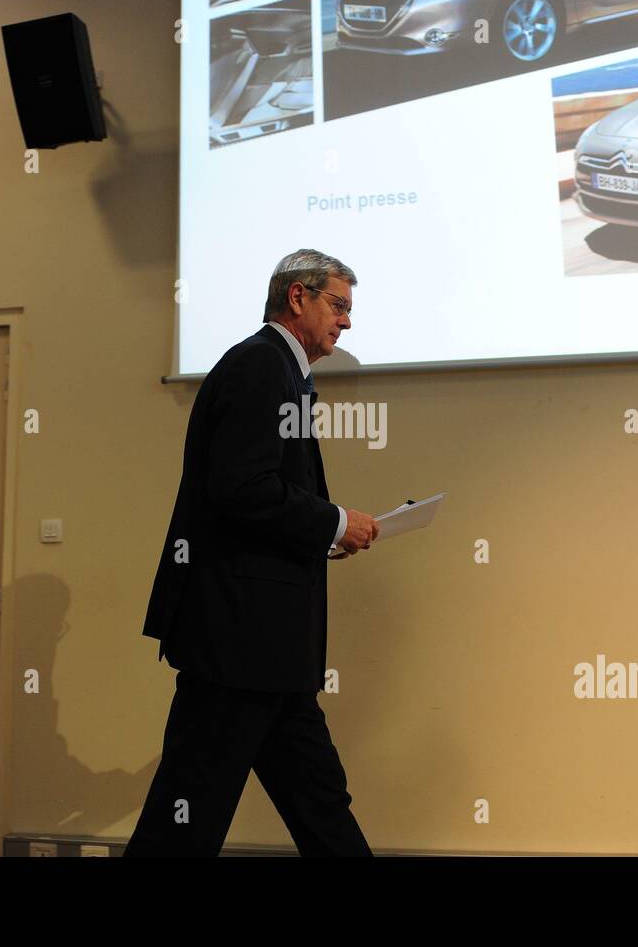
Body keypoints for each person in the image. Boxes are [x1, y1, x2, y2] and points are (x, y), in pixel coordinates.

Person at [124, 249, 378, 856]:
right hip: (239, 641)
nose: (347, 323)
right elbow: (243, 489)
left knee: (319, 803)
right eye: (338, 305)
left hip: (267, 648)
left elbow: (258, 496)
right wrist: (334, 522)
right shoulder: (261, 366)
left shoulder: (281, 372)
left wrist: (322, 533)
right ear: (298, 297)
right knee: (185, 818)